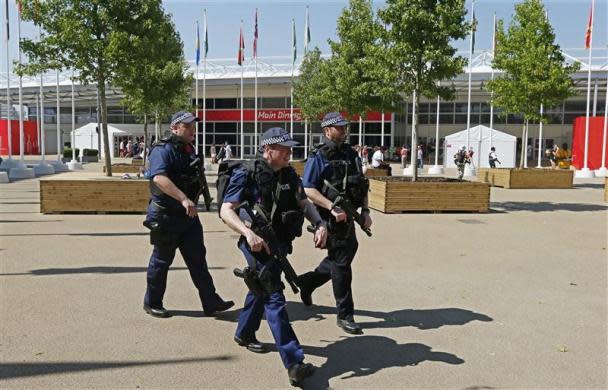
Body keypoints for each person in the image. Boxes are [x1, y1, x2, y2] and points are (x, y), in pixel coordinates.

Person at [220, 127, 326, 386]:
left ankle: (244, 334)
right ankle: (294, 362)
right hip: (256, 243)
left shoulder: (289, 173)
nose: (290, 152)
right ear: (268, 149)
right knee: (274, 297)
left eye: (291, 147)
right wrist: (247, 233)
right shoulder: (248, 173)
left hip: (280, 244)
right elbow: (226, 210)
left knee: (261, 287)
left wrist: (320, 223)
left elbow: (304, 203)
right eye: (285, 148)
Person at [143, 111, 234, 318]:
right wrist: (183, 198)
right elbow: (159, 178)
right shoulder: (162, 149)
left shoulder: (189, 149)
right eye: (188, 126)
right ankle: (152, 302)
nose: (193, 129)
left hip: (188, 217)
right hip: (166, 216)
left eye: (193, 126)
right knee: (161, 261)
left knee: (198, 260)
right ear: (175, 128)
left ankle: (210, 301)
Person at [299, 112, 373, 335]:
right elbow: (308, 189)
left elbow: (361, 183)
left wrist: (366, 211)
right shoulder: (318, 156)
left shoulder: (351, 154)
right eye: (338, 127)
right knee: (342, 264)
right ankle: (345, 315)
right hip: (330, 219)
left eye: (344, 127)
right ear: (327, 130)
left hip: (349, 216)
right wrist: (331, 207)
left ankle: (309, 281)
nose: (343, 130)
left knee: (346, 254)